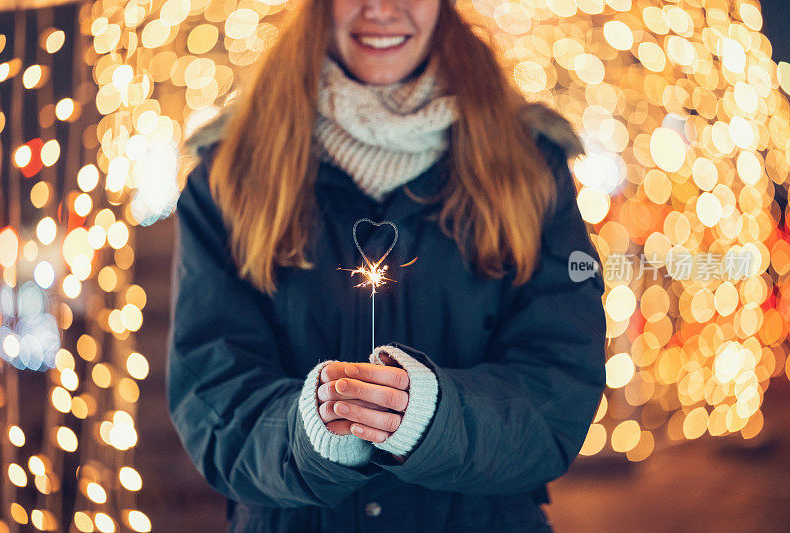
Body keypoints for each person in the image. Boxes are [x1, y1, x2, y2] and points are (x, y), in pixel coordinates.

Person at [166, 0, 607, 531]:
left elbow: (557, 385)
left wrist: (433, 419)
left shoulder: (530, 165)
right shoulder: (227, 174)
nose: (381, 8)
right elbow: (214, 392)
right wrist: (310, 434)